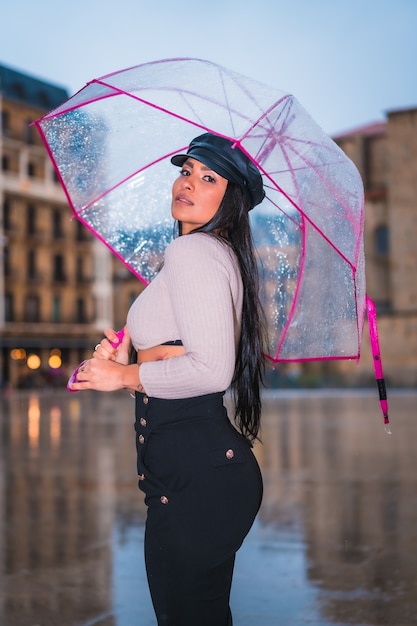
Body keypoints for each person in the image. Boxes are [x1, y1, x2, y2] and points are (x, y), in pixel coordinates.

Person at [70, 132, 267, 626]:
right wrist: (130, 355)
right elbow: (181, 354)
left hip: (196, 476)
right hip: (200, 473)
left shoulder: (193, 253)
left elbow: (210, 369)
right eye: (185, 171)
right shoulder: (209, 254)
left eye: (208, 178)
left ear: (231, 197)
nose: (188, 184)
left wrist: (124, 375)